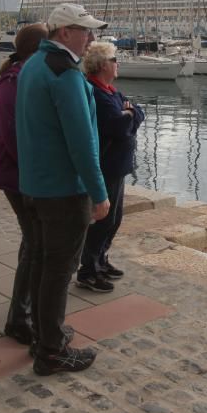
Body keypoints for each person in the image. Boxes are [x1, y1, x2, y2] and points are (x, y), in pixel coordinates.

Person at [16, 3, 110, 376]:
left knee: (41, 264)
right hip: (63, 192)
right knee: (58, 270)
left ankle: (45, 335)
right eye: (85, 30)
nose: (91, 37)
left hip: (35, 186)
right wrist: (99, 193)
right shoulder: (65, 74)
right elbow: (81, 143)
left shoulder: (32, 66)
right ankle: (51, 352)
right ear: (64, 32)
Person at [0, 24, 48, 345]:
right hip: (19, 176)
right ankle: (19, 318)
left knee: (34, 242)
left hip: (23, 173)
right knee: (35, 243)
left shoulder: (24, 75)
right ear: (39, 49)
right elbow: (12, 138)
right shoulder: (14, 81)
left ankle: (22, 313)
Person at [77, 41, 144, 292]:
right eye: (115, 59)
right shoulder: (97, 94)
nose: (118, 64)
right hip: (107, 166)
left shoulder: (111, 92)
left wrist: (129, 114)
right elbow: (117, 127)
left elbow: (138, 111)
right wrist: (127, 116)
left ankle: (101, 259)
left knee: (114, 219)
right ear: (103, 64)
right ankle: (89, 270)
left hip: (119, 165)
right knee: (103, 219)